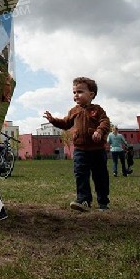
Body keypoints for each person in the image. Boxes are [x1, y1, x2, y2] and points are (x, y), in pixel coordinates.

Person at [44, 76, 110, 212]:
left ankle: (103, 201)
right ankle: (83, 200)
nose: (76, 95)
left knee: (100, 176)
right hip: (80, 150)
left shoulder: (98, 110)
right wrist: (53, 120)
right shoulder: (74, 111)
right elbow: (65, 123)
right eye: (74, 92)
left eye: (80, 92)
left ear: (91, 94)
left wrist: (99, 131)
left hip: (97, 150)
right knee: (80, 174)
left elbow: (105, 122)